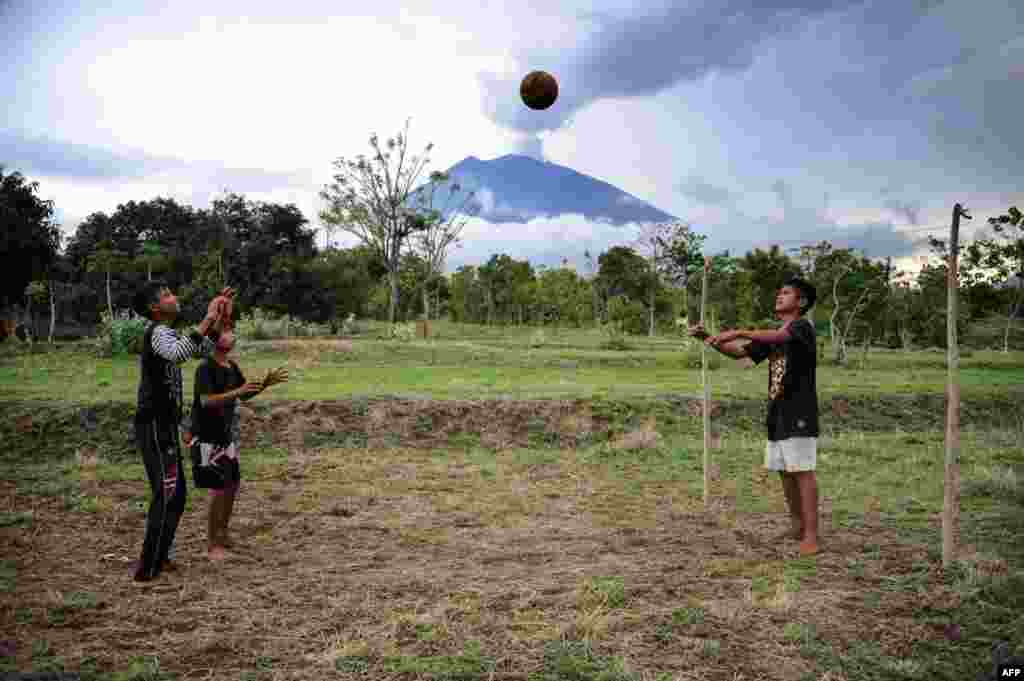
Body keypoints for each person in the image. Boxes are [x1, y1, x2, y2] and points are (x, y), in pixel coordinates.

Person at [691, 277, 821, 556]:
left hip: (798, 410)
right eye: (779, 292)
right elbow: (739, 354)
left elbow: (769, 338)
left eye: (786, 293)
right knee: (785, 472)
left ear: (801, 302)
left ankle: (812, 535)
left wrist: (739, 330)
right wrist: (711, 339)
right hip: (778, 410)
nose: (779, 296)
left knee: (802, 472)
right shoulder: (776, 334)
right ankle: (797, 525)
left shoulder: (801, 328)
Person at [130, 281, 233, 582]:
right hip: (153, 425)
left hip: (164, 426)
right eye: (166, 294)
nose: (173, 296)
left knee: (175, 494)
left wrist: (215, 318)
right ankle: (148, 568)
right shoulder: (158, 333)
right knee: (167, 493)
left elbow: (201, 348)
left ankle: (159, 559)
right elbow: (178, 354)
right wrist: (206, 317)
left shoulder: (169, 333)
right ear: (154, 308)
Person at [188, 320, 287, 561]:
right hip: (207, 436)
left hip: (225, 436)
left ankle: (223, 535)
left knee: (231, 484)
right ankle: (213, 546)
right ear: (215, 341)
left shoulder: (231, 366)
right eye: (226, 332)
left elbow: (245, 392)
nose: (232, 335)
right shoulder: (205, 367)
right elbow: (206, 401)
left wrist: (264, 384)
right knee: (218, 489)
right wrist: (239, 392)